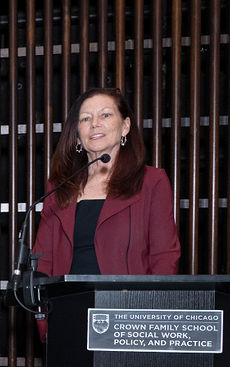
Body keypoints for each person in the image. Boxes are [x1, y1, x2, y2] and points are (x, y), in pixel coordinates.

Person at [32, 87, 180, 338]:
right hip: (67, 316)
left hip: (130, 321)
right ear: (77, 135)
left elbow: (165, 258)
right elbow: (42, 260)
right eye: (85, 118)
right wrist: (44, 320)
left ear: (125, 127)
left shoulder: (152, 181)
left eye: (105, 115)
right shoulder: (57, 188)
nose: (94, 124)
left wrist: (152, 321)